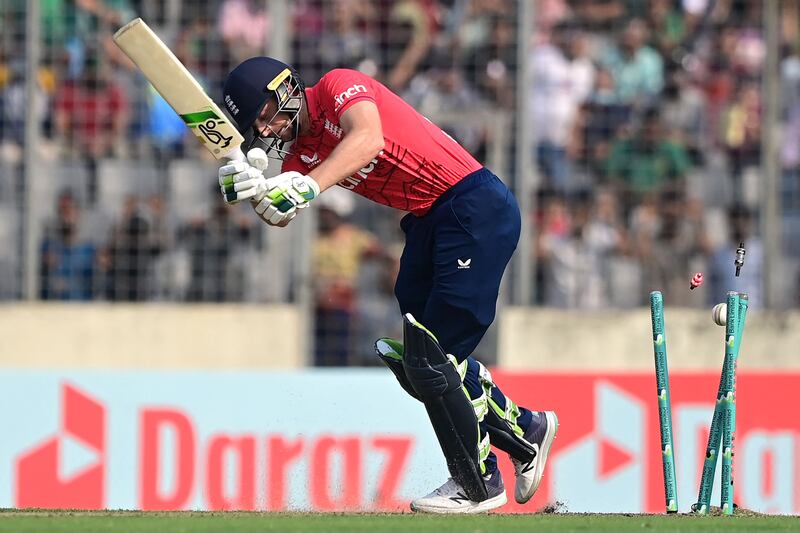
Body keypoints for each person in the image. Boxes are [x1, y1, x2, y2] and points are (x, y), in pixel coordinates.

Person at [216, 57, 558, 513]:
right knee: (420, 358)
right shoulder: (302, 156)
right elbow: (281, 211)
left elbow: (368, 138)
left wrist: (306, 186)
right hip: (427, 221)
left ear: (285, 90)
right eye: (259, 126)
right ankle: (526, 430)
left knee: (431, 355)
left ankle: (477, 482)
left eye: (266, 114)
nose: (269, 129)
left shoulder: (338, 86)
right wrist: (253, 190)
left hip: (472, 204)